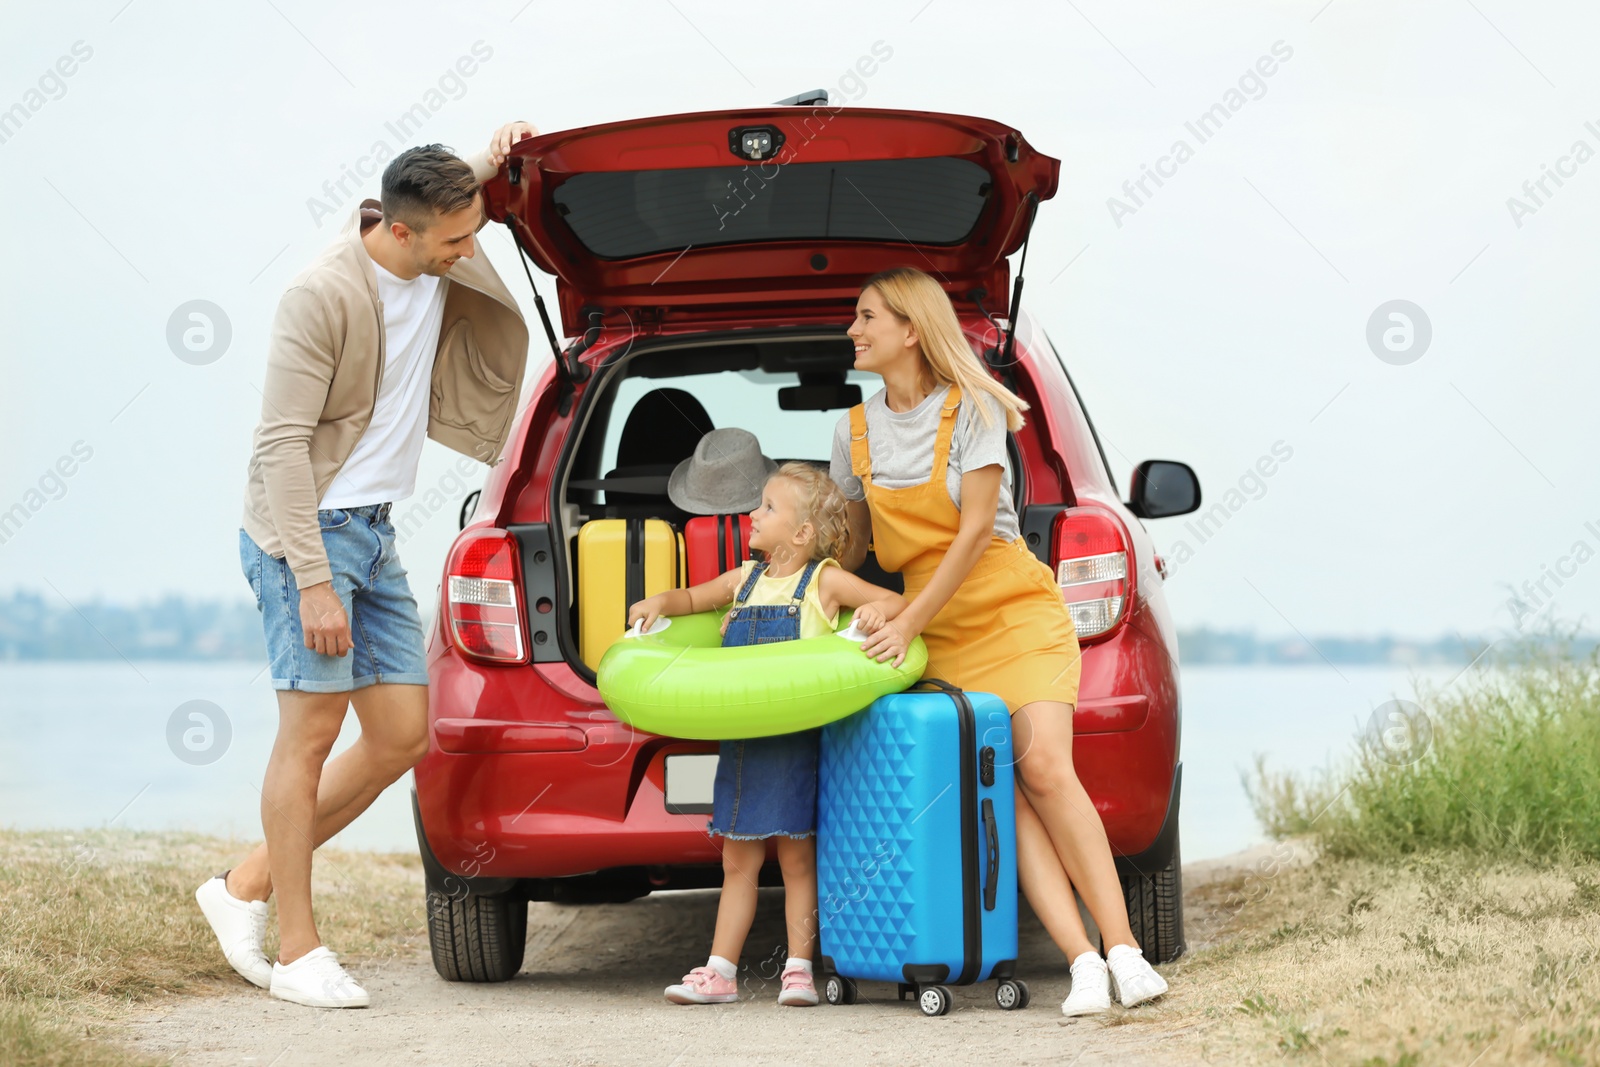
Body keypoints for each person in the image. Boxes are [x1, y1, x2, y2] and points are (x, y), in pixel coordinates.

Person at [195, 122, 538, 1009]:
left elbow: (463, 180)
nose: (470, 250)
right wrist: (312, 579)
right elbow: (277, 444)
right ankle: (300, 952)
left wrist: (497, 153)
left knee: (397, 737)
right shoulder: (322, 296)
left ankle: (240, 888)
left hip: (375, 534)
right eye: (456, 240)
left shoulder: (433, 237)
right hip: (303, 533)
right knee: (307, 736)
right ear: (399, 230)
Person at [829, 266, 1169, 1016]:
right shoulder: (851, 432)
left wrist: (909, 618)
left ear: (911, 330)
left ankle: (1126, 951)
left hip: (1012, 609)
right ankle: (1081, 963)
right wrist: (799, 569)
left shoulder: (974, 408)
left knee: (1046, 766)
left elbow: (978, 528)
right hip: (938, 633)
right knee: (1002, 797)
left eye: (866, 316)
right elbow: (857, 550)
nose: (852, 329)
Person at [629, 462, 906, 1007]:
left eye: (768, 508)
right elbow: (690, 599)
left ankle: (799, 969)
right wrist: (659, 602)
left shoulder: (822, 582)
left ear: (801, 534)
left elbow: (895, 602)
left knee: (797, 861)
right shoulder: (742, 580)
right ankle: (721, 972)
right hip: (741, 745)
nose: (752, 514)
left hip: (794, 744)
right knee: (738, 862)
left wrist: (874, 609)